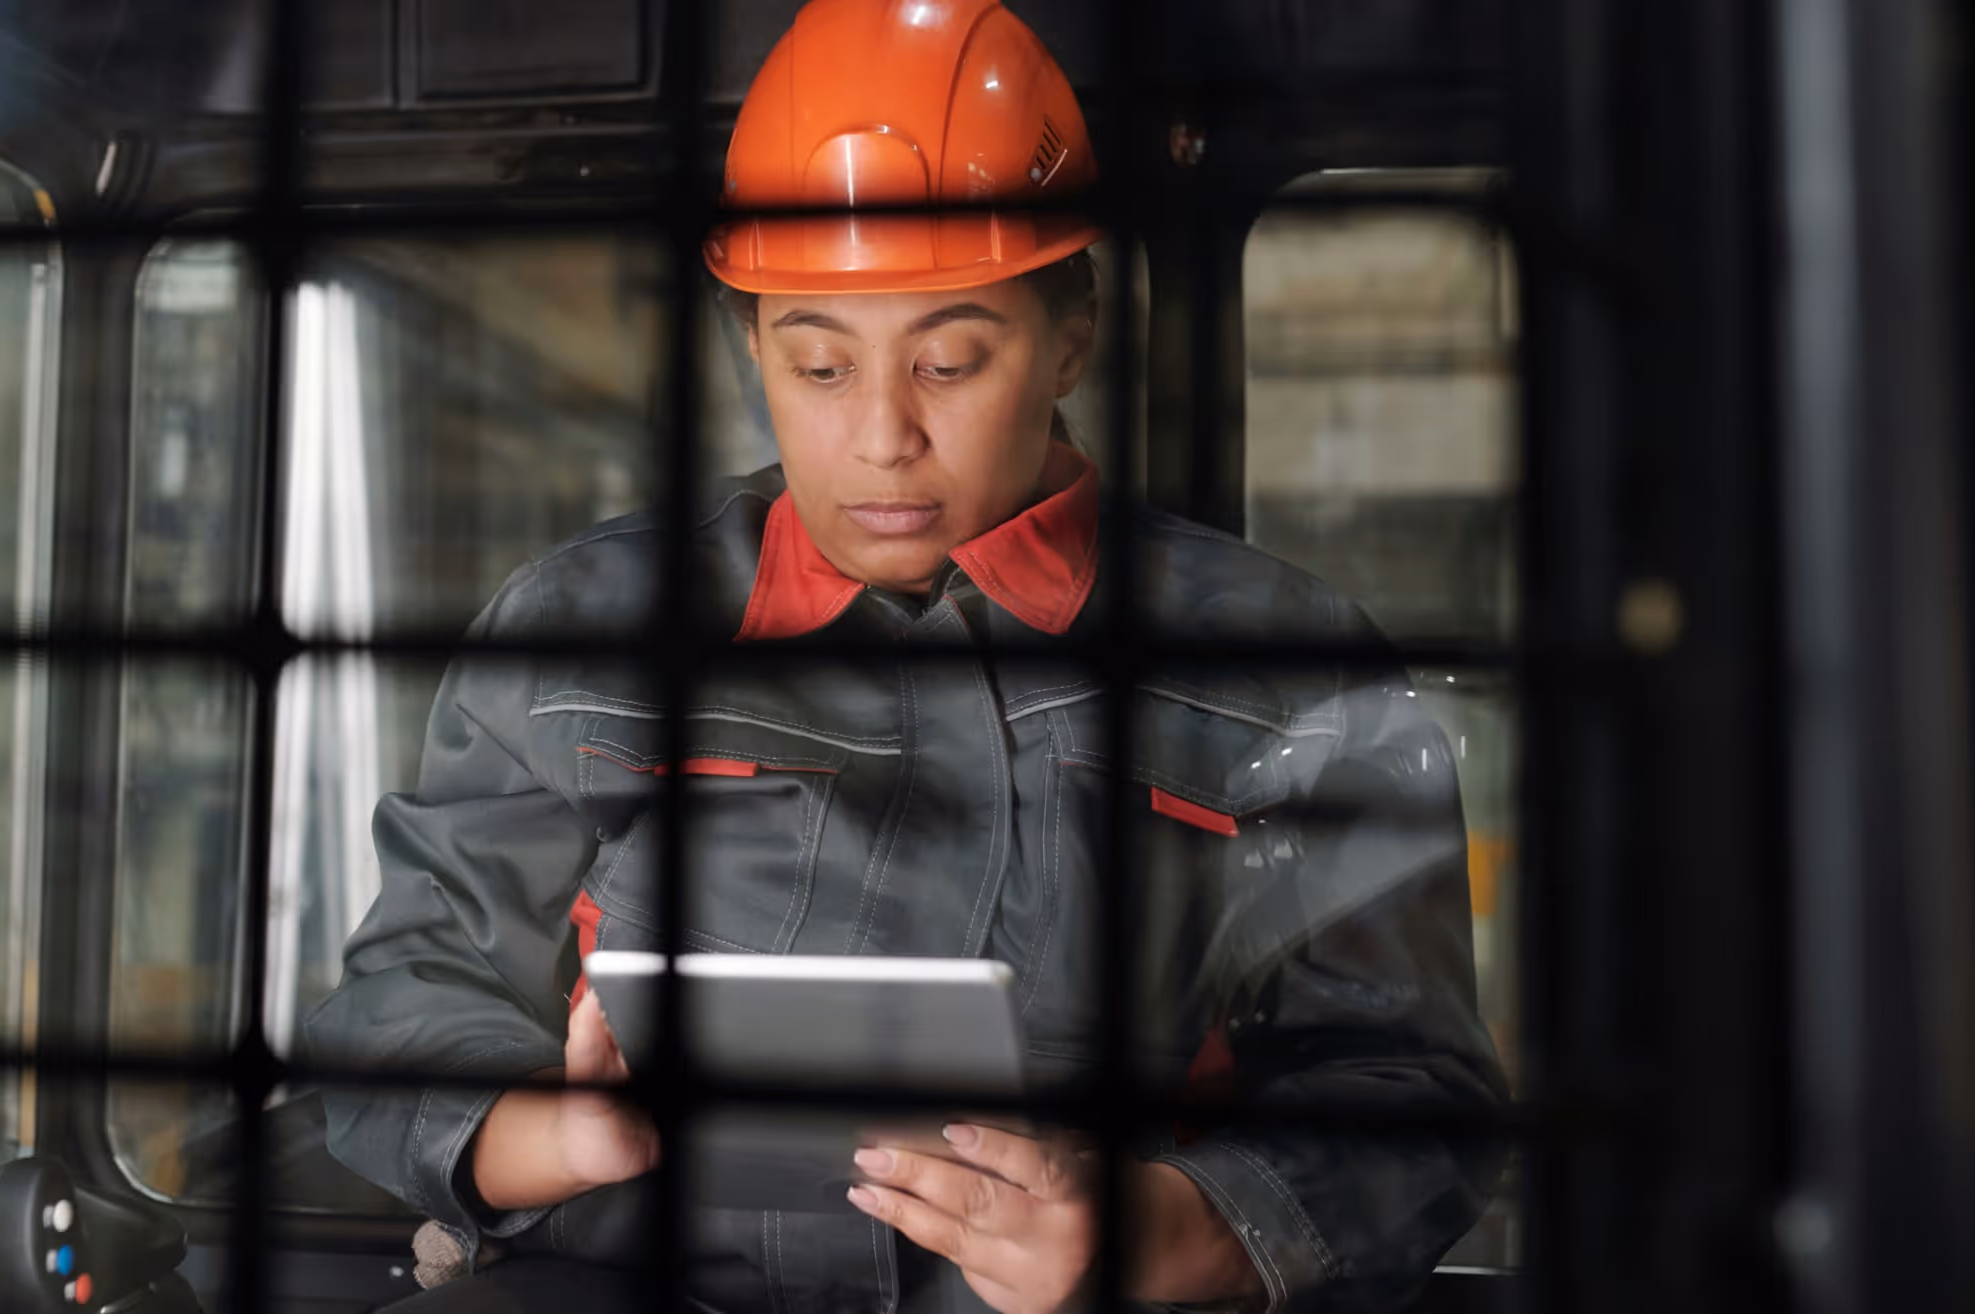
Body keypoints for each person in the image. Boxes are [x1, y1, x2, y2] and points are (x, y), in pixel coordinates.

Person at [300, 2, 1508, 1311]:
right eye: (819, 365)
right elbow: (410, 989)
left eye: (949, 359)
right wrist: (552, 1133)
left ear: (1069, 338)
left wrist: (1160, 1229)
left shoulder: (1292, 672)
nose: (882, 438)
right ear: (751, 343)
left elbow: (1413, 1093)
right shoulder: (578, 631)